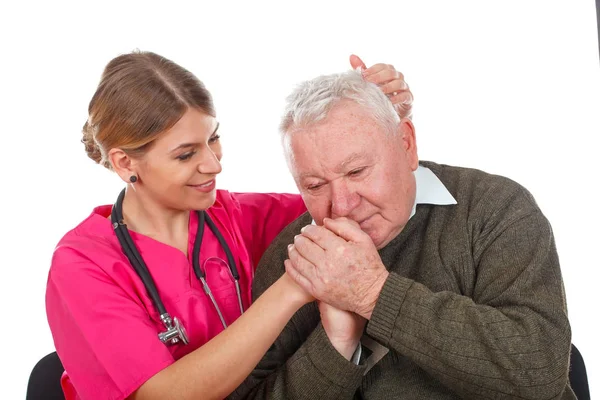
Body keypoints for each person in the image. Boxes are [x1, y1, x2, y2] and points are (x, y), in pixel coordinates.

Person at [44, 50, 412, 400]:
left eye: (213, 138)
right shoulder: (81, 265)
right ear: (125, 164)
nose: (213, 164)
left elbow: (357, 202)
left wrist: (379, 121)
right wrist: (292, 288)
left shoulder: (234, 216)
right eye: (186, 154)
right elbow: (162, 394)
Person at [231, 70, 576, 399]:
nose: (343, 205)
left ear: (407, 144)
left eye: (357, 171)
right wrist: (336, 344)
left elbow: (538, 373)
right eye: (315, 185)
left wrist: (372, 294)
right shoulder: (292, 255)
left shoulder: (495, 207)